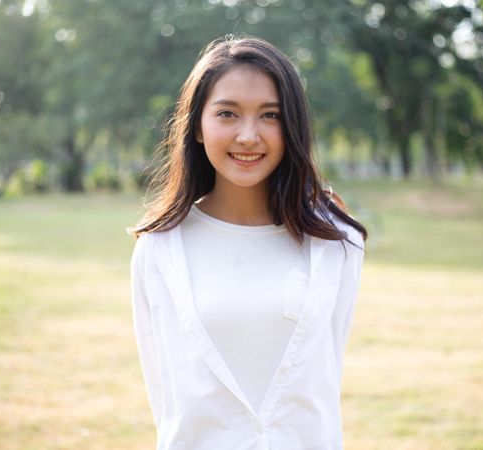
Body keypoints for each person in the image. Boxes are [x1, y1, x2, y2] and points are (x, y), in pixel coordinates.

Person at [129, 35, 367, 450]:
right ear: (198, 128)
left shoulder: (337, 242)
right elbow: (164, 394)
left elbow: (325, 369)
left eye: (270, 115)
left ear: (292, 126)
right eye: (227, 114)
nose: (248, 136)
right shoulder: (160, 247)